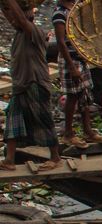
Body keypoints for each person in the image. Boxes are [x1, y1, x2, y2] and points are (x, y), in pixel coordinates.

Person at [0, 0, 60, 172]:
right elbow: (12, 15)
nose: (13, 20)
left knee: (43, 120)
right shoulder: (20, 32)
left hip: (35, 83)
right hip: (21, 85)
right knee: (13, 121)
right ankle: (9, 160)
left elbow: (20, 17)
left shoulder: (34, 31)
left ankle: (55, 157)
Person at [53, 0, 102, 149]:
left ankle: (88, 131)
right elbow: (61, 43)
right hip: (70, 59)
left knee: (84, 94)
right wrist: (71, 67)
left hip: (80, 58)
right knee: (73, 95)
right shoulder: (59, 13)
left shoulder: (75, 7)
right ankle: (68, 133)